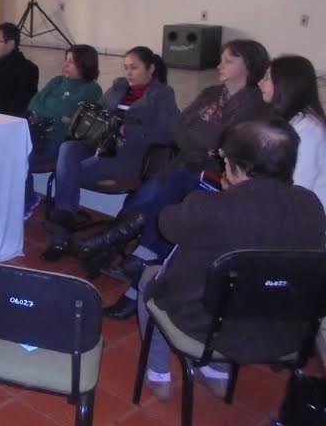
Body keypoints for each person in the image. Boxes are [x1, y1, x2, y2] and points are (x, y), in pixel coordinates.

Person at [138, 118, 326, 402]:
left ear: (240, 167)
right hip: (284, 331)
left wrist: (228, 194)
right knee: (238, 291)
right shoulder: (311, 205)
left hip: (208, 328)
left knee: (150, 279)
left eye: (225, 158)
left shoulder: (211, 207)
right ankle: (216, 374)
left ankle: (158, 375)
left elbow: (167, 224)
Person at [99, 39, 271, 320]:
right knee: (153, 201)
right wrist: (203, 139)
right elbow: (177, 128)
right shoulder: (212, 93)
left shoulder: (254, 104)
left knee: (172, 209)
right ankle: (135, 270)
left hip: (217, 181)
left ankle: (132, 268)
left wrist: (201, 138)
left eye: (228, 61)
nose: (219, 65)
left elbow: (223, 141)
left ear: (248, 65)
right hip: (184, 169)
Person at [42, 46, 179, 261]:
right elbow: (99, 109)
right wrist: (88, 118)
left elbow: (167, 133)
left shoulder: (163, 94)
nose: (129, 73)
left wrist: (128, 130)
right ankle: (66, 215)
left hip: (126, 153)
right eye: (126, 68)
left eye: (134, 68)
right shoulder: (119, 86)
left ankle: (61, 234)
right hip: (99, 142)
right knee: (68, 148)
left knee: (70, 173)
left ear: (151, 68)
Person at [24, 44, 102, 215]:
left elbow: (64, 108)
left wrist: (52, 111)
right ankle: (28, 199)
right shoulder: (56, 81)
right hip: (38, 134)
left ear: (85, 65)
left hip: (59, 142)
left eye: (71, 62)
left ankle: (28, 202)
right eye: (66, 61)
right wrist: (60, 117)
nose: (65, 66)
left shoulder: (91, 89)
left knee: (22, 160)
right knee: (13, 157)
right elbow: (33, 103)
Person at [259, 55, 326, 207]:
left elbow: (298, 189)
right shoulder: (293, 120)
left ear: (285, 84)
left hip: (309, 217)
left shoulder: (309, 131)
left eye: (267, 78)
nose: (260, 83)